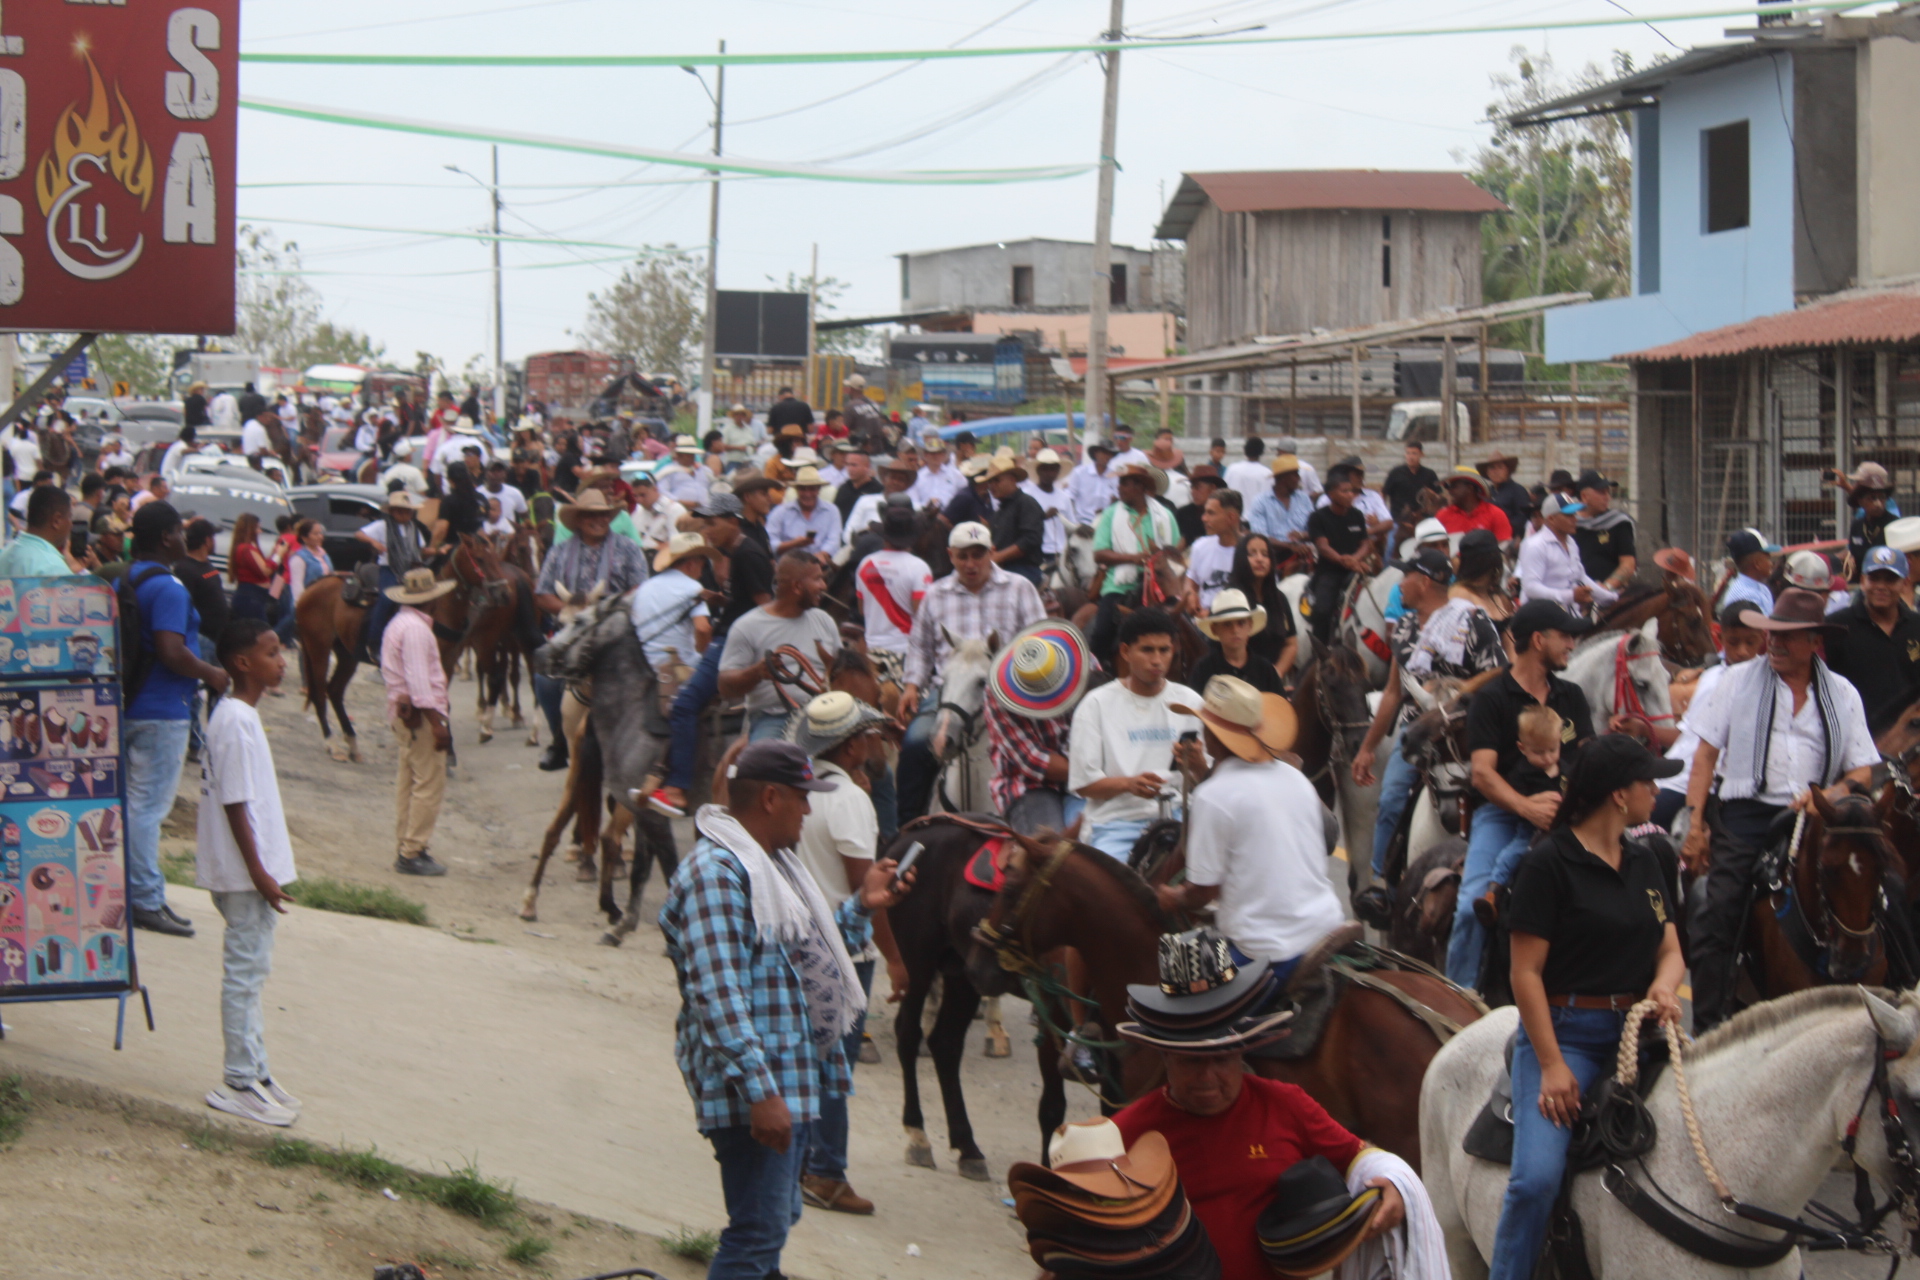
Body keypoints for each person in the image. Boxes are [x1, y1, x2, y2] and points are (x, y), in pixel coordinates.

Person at [659, 740, 911, 1280]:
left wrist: (862, 906)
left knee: (773, 1224)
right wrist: (761, 1092)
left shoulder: (771, 869)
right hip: (755, 1093)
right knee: (756, 1234)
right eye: (802, 797)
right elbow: (717, 993)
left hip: (785, 1083)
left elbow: (804, 959)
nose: (808, 809)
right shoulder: (718, 875)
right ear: (771, 798)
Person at [1492, 735, 1686, 1280]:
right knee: (1535, 1181)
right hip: (1567, 1035)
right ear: (1619, 795)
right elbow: (1525, 974)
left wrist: (1664, 988)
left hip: (1640, 1032)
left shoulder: (1648, 860)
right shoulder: (1547, 864)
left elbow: (1670, 951)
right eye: (1648, 781)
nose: (1657, 790)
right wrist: (1552, 1065)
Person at [1111, 930, 1412, 1280]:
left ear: (1243, 1050)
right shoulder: (1124, 1134)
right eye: (1191, 1061)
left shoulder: (1286, 1106)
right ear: (1165, 1056)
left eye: (1222, 1059)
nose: (1208, 1077)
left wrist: (1395, 1184)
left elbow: (1359, 1156)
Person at [1680, 587, 1880, 1025]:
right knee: (1719, 909)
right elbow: (1705, 757)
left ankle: (1900, 990)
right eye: (1773, 634)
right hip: (1747, 815)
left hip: (1818, 815)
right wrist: (1694, 824)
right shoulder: (1736, 680)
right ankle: (1709, 1027)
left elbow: (1863, 772)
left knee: (1889, 890)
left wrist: (1828, 796)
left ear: (1814, 642)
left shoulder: (1843, 693)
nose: (1775, 643)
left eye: (1787, 636)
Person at [782, 694, 906, 1216]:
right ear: (852, 746)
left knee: (803, 1056)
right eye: (868, 736)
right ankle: (826, 1172)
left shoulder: (799, 788)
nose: (874, 744)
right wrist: (895, 958)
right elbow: (865, 892)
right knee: (835, 1066)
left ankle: (798, 1162)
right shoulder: (851, 800)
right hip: (844, 950)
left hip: (796, 941)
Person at [1454, 600, 1597, 989]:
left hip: (1567, 814)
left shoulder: (1572, 696)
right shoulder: (1492, 698)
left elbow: (1588, 760)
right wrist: (1526, 807)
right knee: (1469, 908)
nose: (1572, 644)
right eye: (1565, 636)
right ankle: (1458, 998)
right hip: (1504, 814)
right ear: (1538, 640)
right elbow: (1482, 773)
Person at [197, 618, 303, 1128]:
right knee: (243, 976)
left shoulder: (238, 715)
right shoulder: (236, 720)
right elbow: (236, 803)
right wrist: (259, 871)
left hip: (247, 873)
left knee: (254, 972)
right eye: (271, 653)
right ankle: (237, 1082)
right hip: (243, 876)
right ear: (243, 663)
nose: (281, 662)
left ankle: (256, 1071)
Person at [1157, 676, 1343, 965]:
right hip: (1326, 928)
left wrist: (1173, 897)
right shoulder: (1295, 777)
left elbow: (1203, 893)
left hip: (1264, 946)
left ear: (1213, 735)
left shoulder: (1213, 795)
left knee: (1172, 970)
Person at [1352, 547, 1507, 880]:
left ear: (1423, 582)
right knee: (1391, 798)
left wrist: (1460, 692)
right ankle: (1381, 882)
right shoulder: (1405, 626)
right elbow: (1393, 693)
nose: (1399, 585)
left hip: (1465, 731)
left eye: (1405, 577)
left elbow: (1499, 673)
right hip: (1417, 730)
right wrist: (1367, 748)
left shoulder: (1473, 621)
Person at [123, 502, 229, 939]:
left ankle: (132, 890)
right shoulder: (168, 587)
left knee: (131, 804)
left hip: (127, 703)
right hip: (162, 710)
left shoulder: (127, 577)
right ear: (167, 537)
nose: (185, 539)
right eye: (180, 532)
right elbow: (171, 650)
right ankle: (145, 899)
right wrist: (212, 674)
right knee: (148, 808)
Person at [897, 521, 1046, 821]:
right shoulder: (935, 594)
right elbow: (920, 647)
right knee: (915, 743)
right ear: (950, 555)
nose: (970, 564)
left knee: (1045, 747)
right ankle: (909, 824)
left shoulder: (1019, 588)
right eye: (962, 556)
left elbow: (1040, 643)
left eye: (978, 555)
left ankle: (1043, 818)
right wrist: (912, 686)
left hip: (1008, 693)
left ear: (992, 552)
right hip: (949, 691)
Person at [650, 492, 776, 816]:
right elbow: (747, 601)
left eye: (712, 523)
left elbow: (766, 607)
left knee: (684, 705)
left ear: (733, 521)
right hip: (729, 634)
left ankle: (677, 787)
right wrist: (720, 600)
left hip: (733, 643)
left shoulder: (748, 555)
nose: (707, 531)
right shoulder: (737, 553)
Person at [530, 488, 651, 769]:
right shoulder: (559, 552)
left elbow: (641, 588)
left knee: (653, 675)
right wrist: (572, 612)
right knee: (545, 680)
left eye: (603, 515)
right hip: (572, 631)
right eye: (591, 516)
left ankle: (648, 745)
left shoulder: (628, 548)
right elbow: (543, 593)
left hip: (617, 629)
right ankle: (560, 741)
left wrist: (608, 610)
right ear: (579, 519)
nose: (599, 520)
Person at [1069, 608, 1203, 859]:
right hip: (1117, 822)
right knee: (1111, 881)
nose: (1157, 660)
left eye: (1164, 650)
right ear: (1125, 652)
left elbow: (1210, 777)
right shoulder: (1096, 705)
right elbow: (1084, 784)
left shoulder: (1190, 702)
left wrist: (1199, 765)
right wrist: (1128, 784)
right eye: (1147, 650)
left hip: (1182, 818)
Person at [716, 552, 841, 744]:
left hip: (825, 713)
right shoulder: (747, 626)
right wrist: (757, 672)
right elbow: (725, 686)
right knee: (767, 757)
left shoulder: (824, 620)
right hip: (774, 718)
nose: (823, 586)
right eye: (817, 579)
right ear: (797, 586)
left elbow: (841, 672)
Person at [381, 567, 456, 877]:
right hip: (420, 716)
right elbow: (419, 683)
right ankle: (412, 851)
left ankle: (406, 844)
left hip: (403, 714)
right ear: (432, 599)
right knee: (428, 783)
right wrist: (437, 723)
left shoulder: (400, 623)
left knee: (409, 782)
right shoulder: (416, 630)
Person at [984, 621, 1088, 834]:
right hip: (1030, 785)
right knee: (1052, 848)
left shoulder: (1086, 663)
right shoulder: (998, 694)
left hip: (1090, 772)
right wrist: (1096, 773)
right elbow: (1033, 760)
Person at [1088, 464, 1181, 669]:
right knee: (1102, 631)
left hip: (1161, 585)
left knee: (1185, 624)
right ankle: (1098, 670)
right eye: (1120, 482)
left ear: (1141, 487)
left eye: (1125, 483)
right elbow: (1099, 553)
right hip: (1120, 586)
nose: (1119, 487)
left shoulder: (1165, 516)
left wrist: (1160, 560)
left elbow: (1174, 555)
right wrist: (1133, 558)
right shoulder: (1110, 514)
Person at [1825, 545, 1920, 723]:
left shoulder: (1917, 625)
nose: (1881, 586)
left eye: (1890, 579)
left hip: (1907, 735)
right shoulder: (1836, 626)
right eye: (1874, 579)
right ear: (1862, 581)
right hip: (1853, 732)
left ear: (1905, 583)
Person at [357, 490, 431, 665]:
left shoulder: (413, 528)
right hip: (389, 569)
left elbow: (420, 550)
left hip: (410, 570)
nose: (405, 514)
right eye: (401, 511)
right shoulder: (382, 525)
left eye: (408, 511)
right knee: (386, 599)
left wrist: (437, 551)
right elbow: (359, 534)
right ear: (392, 512)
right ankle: (374, 641)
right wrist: (374, 542)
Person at [632, 531, 715, 682]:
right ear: (691, 565)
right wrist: (706, 658)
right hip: (680, 667)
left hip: (644, 665)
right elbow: (703, 629)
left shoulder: (646, 586)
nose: (702, 572)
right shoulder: (692, 587)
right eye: (702, 565)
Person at [1303, 465, 1370, 645]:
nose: (1350, 495)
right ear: (1331, 494)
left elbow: (1365, 544)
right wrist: (1343, 560)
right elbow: (1323, 547)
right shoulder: (1318, 517)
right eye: (1345, 491)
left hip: (1356, 569)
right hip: (1330, 572)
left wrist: (1354, 560)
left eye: (1352, 491)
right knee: (1322, 611)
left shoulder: (1357, 515)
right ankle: (1320, 650)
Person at [1516, 493, 1616, 611]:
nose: (1575, 519)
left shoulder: (1571, 542)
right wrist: (1571, 596)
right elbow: (1531, 588)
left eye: (1574, 514)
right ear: (1551, 519)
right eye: (1569, 515)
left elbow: (1580, 577)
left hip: (1569, 613)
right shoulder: (1535, 545)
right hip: (1540, 615)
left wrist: (1612, 598)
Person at [1227, 533, 1299, 682]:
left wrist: (1277, 672)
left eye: (1265, 554)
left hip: (1274, 680)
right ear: (1241, 559)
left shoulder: (1280, 599)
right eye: (1252, 554)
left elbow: (1291, 643)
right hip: (1237, 680)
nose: (1260, 559)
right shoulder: (1230, 598)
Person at [1188, 589, 1285, 696]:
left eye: (1241, 623)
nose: (1235, 630)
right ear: (1214, 629)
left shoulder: (1266, 670)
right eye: (1227, 624)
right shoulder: (1203, 670)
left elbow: (1279, 704)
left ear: (1250, 625)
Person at [985, 456, 1046, 585]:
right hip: (1000, 568)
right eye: (990, 482)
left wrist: (998, 556)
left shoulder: (1026, 503)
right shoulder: (999, 512)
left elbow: (1030, 540)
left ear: (1012, 479)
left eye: (996, 480)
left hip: (1024, 569)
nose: (992, 486)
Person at [1572, 470, 1635, 591]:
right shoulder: (1570, 524)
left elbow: (1628, 563)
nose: (1608, 497)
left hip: (1611, 595)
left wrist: (1606, 587)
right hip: (1573, 593)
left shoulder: (1618, 523)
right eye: (1602, 492)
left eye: (1608, 492)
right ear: (1584, 496)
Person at [0, 484, 79, 576]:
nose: (71, 524)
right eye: (69, 517)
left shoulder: (5, 553)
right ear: (56, 521)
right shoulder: (53, 568)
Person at [766, 467, 841, 562]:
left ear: (819, 489)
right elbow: (769, 543)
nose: (807, 494)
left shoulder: (831, 511)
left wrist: (821, 555)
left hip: (821, 565)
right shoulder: (780, 512)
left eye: (812, 489)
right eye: (803, 489)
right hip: (789, 565)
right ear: (796, 490)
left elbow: (834, 542)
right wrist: (793, 544)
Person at [1184, 489, 1242, 611]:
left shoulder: (1251, 550)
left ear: (1231, 517)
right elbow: (1191, 580)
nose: (1204, 518)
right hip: (1202, 619)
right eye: (1205, 512)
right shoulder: (1200, 546)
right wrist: (1190, 594)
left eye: (1211, 513)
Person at [1247, 454, 1315, 558]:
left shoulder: (1303, 499)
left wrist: (1302, 535)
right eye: (1295, 474)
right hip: (1273, 557)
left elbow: (1315, 530)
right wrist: (1290, 546)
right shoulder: (1261, 502)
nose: (1299, 478)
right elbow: (1260, 537)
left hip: (1303, 555)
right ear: (1283, 478)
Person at [278, 519, 333, 645]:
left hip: (324, 601)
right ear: (304, 537)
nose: (320, 536)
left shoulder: (323, 554)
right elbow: (297, 584)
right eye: (315, 534)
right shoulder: (299, 557)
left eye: (320, 533)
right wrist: (301, 605)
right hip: (308, 602)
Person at [1020, 447, 1070, 574]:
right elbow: (1022, 524)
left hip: (1061, 552)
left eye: (1053, 469)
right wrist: (1043, 516)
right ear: (1038, 470)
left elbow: (1071, 525)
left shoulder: (1064, 497)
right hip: (1038, 553)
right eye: (1045, 469)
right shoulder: (1027, 495)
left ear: (1058, 471)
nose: (1049, 473)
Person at [1844, 462, 1896, 581]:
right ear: (1860, 501)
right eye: (1872, 498)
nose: (1878, 503)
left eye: (1882, 497)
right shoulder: (1857, 526)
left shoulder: (1894, 526)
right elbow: (1854, 558)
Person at [844, 457, 916, 541]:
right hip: (863, 544)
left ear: (907, 485)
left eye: (901, 479)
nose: (896, 482)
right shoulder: (865, 500)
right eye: (893, 478)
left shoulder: (914, 507)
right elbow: (849, 530)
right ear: (884, 480)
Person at [1436, 467, 1513, 542]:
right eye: (1448, 487)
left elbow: (1504, 544)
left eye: (1453, 486)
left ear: (1470, 488)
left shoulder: (1495, 514)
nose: (1449, 491)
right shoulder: (1442, 516)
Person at [226, 513, 277, 622]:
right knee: (259, 629)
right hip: (250, 598)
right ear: (249, 529)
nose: (260, 531)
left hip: (255, 597)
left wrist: (273, 554)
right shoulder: (246, 549)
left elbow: (262, 565)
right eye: (257, 528)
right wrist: (278, 556)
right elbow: (265, 571)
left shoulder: (247, 548)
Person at [1717, 528, 1779, 616]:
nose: (1771, 563)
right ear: (1757, 564)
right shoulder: (1743, 596)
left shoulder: (1762, 589)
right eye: (1768, 558)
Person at [1383, 440, 1441, 529]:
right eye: (1408, 453)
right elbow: (1384, 494)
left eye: (1414, 453)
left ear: (1421, 454)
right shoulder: (1396, 473)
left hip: (1423, 521)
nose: (1410, 457)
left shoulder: (1429, 474)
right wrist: (1383, 515)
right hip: (1398, 521)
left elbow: (1439, 496)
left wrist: (1431, 495)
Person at [1477, 450, 1533, 540]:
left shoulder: (1518, 491)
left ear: (1507, 470)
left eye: (1500, 467)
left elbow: (1522, 518)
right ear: (1487, 472)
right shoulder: (1486, 493)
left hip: (1510, 539)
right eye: (1492, 468)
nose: (1496, 471)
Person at [1066, 439, 1119, 527]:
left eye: (1110, 454)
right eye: (1104, 453)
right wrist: (1071, 521)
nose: (1107, 456)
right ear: (1096, 454)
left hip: (1104, 523)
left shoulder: (1115, 476)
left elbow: (1117, 501)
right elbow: (1070, 497)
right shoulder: (1079, 472)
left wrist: (1109, 508)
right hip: (1081, 523)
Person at [908, 435, 963, 511]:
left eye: (939, 453)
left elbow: (965, 495)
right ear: (925, 455)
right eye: (932, 453)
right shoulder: (917, 477)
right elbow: (913, 501)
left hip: (950, 514)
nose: (935, 456)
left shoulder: (956, 474)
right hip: (925, 514)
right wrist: (925, 506)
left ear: (944, 455)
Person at [1175, 463, 1223, 546]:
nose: (1193, 492)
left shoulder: (1223, 514)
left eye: (1197, 487)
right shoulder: (1183, 514)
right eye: (1192, 487)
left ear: (1213, 488)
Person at [832, 450, 881, 525]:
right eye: (847, 464)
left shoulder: (877, 490)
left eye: (854, 465)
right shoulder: (844, 488)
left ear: (867, 466)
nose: (850, 469)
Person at [1223, 436, 1271, 508]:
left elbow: (1224, 493)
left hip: (1233, 514)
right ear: (1262, 452)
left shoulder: (1232, 469)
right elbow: (1267, 500)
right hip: (1255, 514)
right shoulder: (1267, 474)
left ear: (1245, 450)